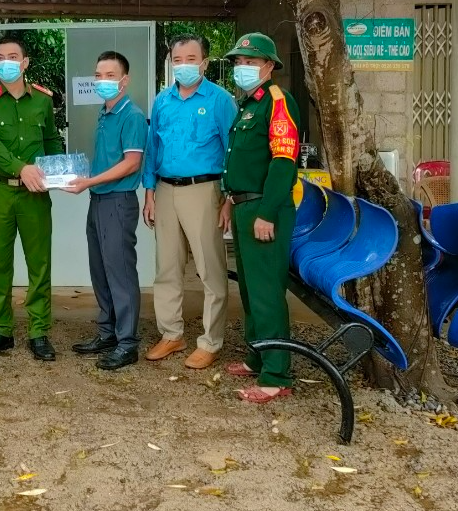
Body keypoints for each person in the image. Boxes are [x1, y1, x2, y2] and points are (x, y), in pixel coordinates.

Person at [141, 34, 237, 370]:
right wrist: (150, 192)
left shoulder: (220, 100)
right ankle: (171, 334)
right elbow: (153, 148)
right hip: (165, 190)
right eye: (177, 60)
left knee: (209, 269)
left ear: (205, 62)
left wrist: (228, 199)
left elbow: (232, 150)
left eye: (191, 58)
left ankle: (211, 342)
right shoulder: (163, 101)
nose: (183, 66)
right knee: (166, 267)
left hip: (205, 190)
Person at [0, 36, 64, 361]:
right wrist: (21, 168)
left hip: (35, 195)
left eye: (13, 56)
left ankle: (39, 331)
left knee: (39, 263)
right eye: (0, 56)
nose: (5, 62)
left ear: (25, 63)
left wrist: (59, 172)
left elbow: (50, 138)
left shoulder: (42, 99)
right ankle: (1, 330)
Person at [221, 32, 300, 403]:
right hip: (243, 206)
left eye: (250, 62)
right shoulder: (249, 104)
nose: (243, 68)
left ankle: (276, 375)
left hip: (265, 208)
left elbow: (284, 162)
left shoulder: (277, 102)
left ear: (269, 66)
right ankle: (257, 355)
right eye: (238, 62)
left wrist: (267, 212)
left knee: (267, 292)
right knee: (251, 290)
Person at [64, 51, 148, 370]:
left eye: (109, 76)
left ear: (124, 81)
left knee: (120, 272)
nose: (102, 81)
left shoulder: (132, 115)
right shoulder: (105, 112)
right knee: (100, 269)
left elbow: (131, 163)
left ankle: (127, 343)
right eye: (98, 76)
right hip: (98, 200)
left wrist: (90, 181)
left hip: (117, 201)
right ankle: (107, 333)